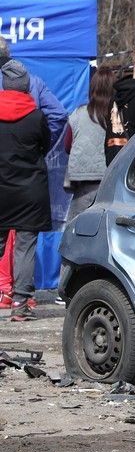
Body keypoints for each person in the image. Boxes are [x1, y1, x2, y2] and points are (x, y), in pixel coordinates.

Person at [0, 60, 51, 322]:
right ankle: (20, 304)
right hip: (30, 190)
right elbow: (46, 145)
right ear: (25, 87)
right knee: (25, 247)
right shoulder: (36, 117)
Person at [58, 68, 115, 292]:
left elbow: (67, 146)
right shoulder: (116, 114)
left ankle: (66, 287)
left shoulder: (79, 114)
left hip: (83, 184)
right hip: (111, 182)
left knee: (74, 234)